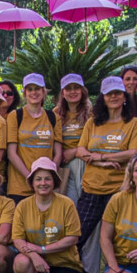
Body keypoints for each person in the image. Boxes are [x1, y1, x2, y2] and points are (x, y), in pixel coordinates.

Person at [72, 77, 137, 260]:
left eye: (118, 93)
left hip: (120, 190)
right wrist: (100, 162)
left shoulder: (134, 123)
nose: (114, 97)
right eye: (109, 93)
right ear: (103, 98)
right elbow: (80, 150)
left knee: (121, 238)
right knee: (77, 236)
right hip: (91, 188)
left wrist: (101, 156)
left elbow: (134, 152)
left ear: (125, 96)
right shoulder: (93, 123)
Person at [11, 157, 84, 273]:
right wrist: (34, 255)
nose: (43, 183)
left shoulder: (67, 204)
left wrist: (42, 249)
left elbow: (73, 238)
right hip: (35, 262)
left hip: (63, 263)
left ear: (54, 182)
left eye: (47, 179)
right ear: (32, 182)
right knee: (20, 262)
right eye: (38, 179)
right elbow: (18, 239)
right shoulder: (23, 206)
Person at [6, 74, 57, 202]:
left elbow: (58, 153)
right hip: (19, 187)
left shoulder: (53, 117)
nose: (33, 92)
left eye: (37, 89)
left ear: (43, 91)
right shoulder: (15, 116)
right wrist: (31, 178)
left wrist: (46, 179)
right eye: (30, 89)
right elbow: (11, 153)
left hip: (46, 187)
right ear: (24, 93)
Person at [55, 74, 92, 206]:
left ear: (82, 91)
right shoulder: (56, 114)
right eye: (68, 88)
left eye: (76, 88)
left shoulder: (92, 113)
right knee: (70, 204)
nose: (72, 91)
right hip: (64, 166)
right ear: (63, 93)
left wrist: (75, 151)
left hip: (86, 163)